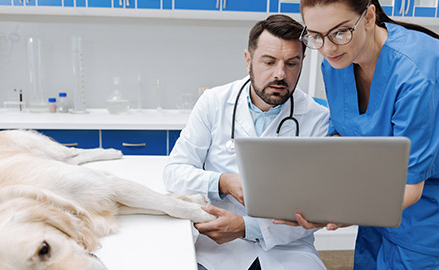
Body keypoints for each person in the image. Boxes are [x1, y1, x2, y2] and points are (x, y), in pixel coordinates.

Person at [278, 0, 439, 269]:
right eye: (316, 36)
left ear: (368, 17)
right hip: (375, 207)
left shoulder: (416, 74)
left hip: (423, 219)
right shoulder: (337, 64)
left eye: (340, 32)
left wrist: (339, 213)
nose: (327, 48)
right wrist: (306, 176)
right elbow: (346, 132)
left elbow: (410, 185)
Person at [163, 14, 330, 270]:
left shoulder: (317, 119)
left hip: (288, 250)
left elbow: (317, 206)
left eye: (292, 63)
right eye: (269, 62)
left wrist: (246, 227)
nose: (280, 74)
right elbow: (173, 174)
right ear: (248, 60)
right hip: (216, 247)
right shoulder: (214, 103)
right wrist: (223, 182)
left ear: (302, 62)